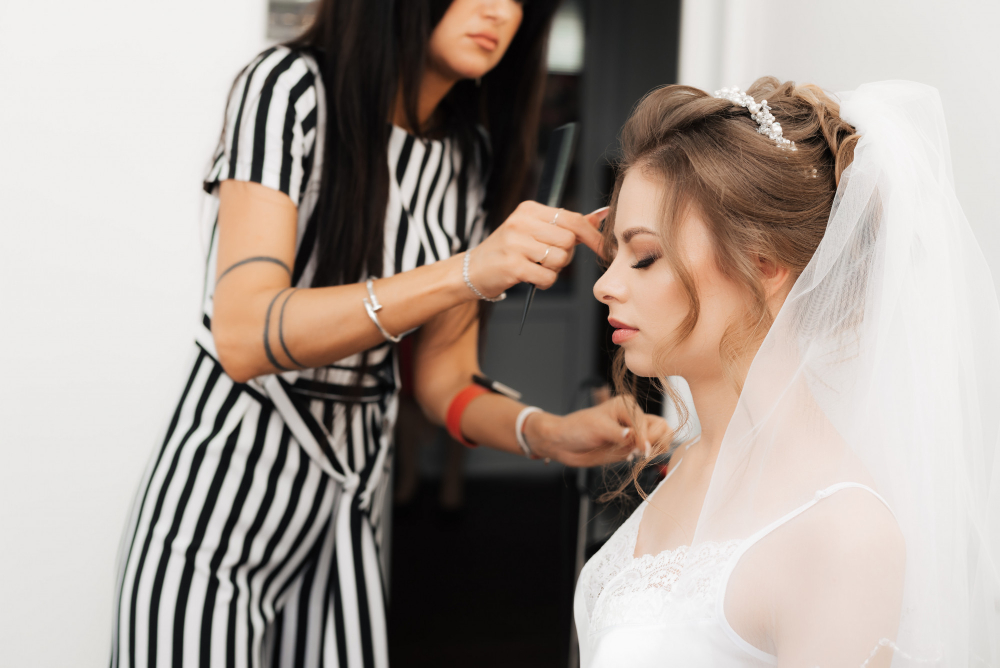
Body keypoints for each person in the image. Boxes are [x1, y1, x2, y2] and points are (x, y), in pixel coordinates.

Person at [109, 1, 666, 666]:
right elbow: (241, 333)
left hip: (344, 515)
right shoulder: (287, 90)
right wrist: (467, 271)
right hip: (216, 514)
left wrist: (549, 432)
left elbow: (443, 383)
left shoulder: (467, 153)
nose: (498, 9)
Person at [575, 79, 1000, 667]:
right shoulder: (691, 461)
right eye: (612, 254)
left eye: (644, 256)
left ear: (765, 264)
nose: (605, 284)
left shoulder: (841, 534)